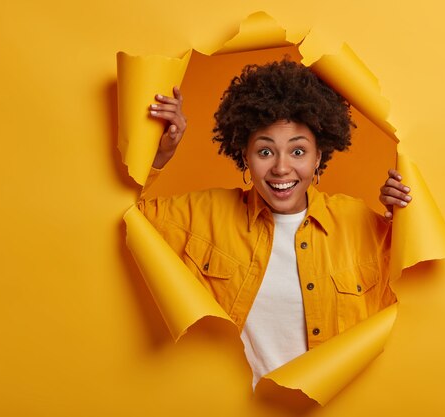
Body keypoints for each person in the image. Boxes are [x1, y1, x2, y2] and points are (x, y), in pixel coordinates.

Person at [138, 60, 412, 387]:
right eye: (265, 152)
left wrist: (407, 224)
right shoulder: (203, 214)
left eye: (298, 151)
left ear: (319, 157)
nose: (282, 168)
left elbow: (413, 308)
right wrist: (156, 156)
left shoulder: (361, 225)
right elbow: (118, 218)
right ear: (244, 155)